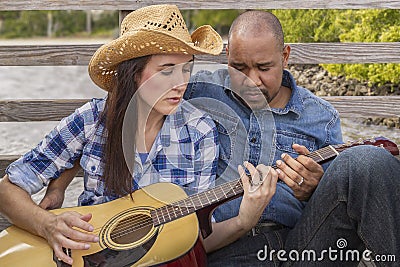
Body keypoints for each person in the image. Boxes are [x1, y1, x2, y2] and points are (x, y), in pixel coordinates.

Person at [0, 5, 280, 266]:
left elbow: (195, 239)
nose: (181, 83)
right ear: (134, 73)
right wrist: (46, 224)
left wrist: (245, 220)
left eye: (186, 69)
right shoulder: (92, 120)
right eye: (166, 71)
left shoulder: (200, 132)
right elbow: (7, 190)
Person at [183, 10, 400, 266]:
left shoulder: (321, 116)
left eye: (264, 68)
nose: (252, 81)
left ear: (285, 56)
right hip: (225, 248)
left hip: (301, 247)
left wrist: (313, 190)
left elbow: (337, 203)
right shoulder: (196, 92)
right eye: (239, 67)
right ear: (227, 54)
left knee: (368, 161)